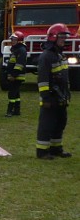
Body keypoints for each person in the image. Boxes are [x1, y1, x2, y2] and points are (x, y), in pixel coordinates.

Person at [36, 23, 72, 159]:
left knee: (60, 122)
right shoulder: (46, 56)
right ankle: (42, 151)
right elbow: (43, 79)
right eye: (61, 36)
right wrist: (45, 98)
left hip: (61, 96)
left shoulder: (59, 55)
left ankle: (56, 149)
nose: (64, 39)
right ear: (53, 38)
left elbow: (64, 77)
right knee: (47, 124)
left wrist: (67, 94)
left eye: (65, 37)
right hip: (50, 97)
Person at [5, 31, 26, 117]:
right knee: (16, 94)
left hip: (17, 76)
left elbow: (19, 64)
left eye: (14, 39)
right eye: (12, 39)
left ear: (19, 40)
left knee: (12, 93)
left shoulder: (21, 50)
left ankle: (9, 111)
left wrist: (13, 75)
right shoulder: (16, 49)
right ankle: (17, 110)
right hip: (15, 75)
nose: (12, 41)